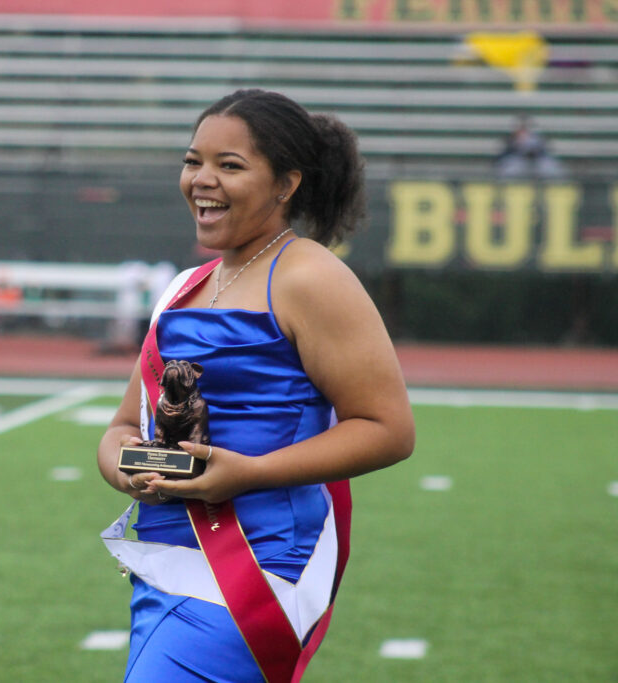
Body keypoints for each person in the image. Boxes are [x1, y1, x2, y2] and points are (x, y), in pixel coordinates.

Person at [97, 89, 415, 682]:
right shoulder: (186, 286)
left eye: (230, 165)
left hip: (251, 567)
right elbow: (122, 426)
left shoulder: (309, 276)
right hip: (161, 564)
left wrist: (248, 473)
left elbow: (388, 430)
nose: (202, 180)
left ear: (286, 184)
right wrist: (124, 467)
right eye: (193, 161)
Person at [495, 115, 566, 179]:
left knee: (549, 167)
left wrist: (534, 151)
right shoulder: (510, 139)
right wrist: (515, 145)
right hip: (518, 162)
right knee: (509, 169)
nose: (523, 129)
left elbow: (544, 153)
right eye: (520, 126)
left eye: (525, 126)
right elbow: (503, 156)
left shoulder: (537, 139)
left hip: (536, 162)